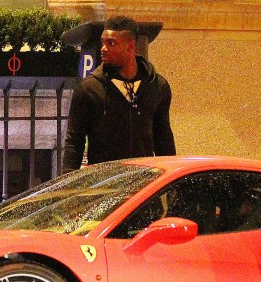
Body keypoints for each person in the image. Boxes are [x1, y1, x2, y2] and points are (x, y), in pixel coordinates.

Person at [62, 16, 176, 173]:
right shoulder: (88, 89)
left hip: (142, 181)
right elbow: (74, 141)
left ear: (131, 47)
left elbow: (163, 138)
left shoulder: (157, 86)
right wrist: (68, 185)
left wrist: (170, 178)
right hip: (104, 183)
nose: (104, 48)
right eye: (103, 42)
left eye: (112, 43)